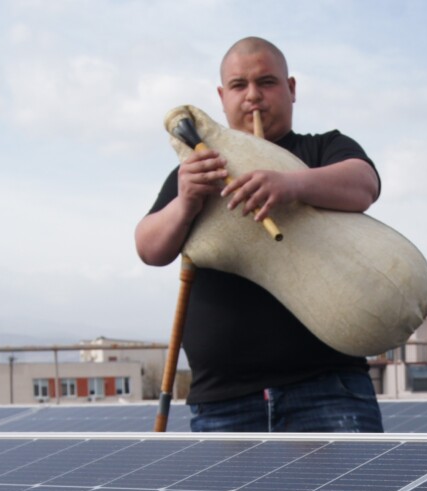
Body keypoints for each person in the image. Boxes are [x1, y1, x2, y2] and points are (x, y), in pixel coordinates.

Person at [135, 37, 385, 433]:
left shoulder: (320, 149)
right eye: (239, 85)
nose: (253, 96)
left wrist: (290, 184)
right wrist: (185, 202)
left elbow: (364, 184)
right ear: (222, 96)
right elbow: (149, 248)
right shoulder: (200, 168)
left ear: (291, 88)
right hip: (222, 400)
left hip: (327, 386)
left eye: (267, 82)